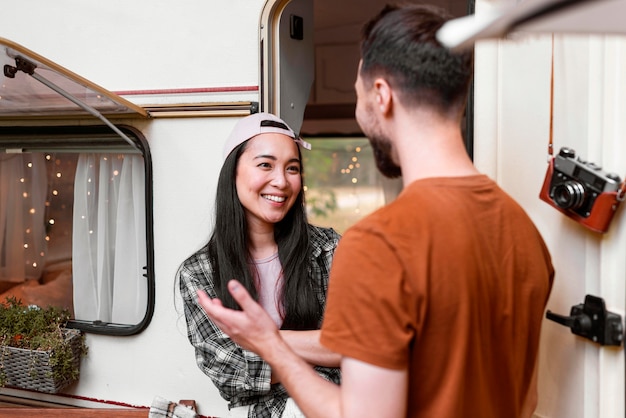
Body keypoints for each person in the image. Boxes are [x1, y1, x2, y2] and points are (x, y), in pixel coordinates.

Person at [196, 4, 554, 418]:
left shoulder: (378, 243)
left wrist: (273, 344)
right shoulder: (525, 232)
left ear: (381, 96)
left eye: (359, 94)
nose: (358, 111)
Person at [177, 112, 341, 418]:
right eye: (265, 164)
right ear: (233, 172)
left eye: (292, 168)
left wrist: (262, 340)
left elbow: (358, 345)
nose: (281, 181)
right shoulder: (199, 271)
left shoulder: (329, 248)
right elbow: (229, 373)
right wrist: (319, 348)